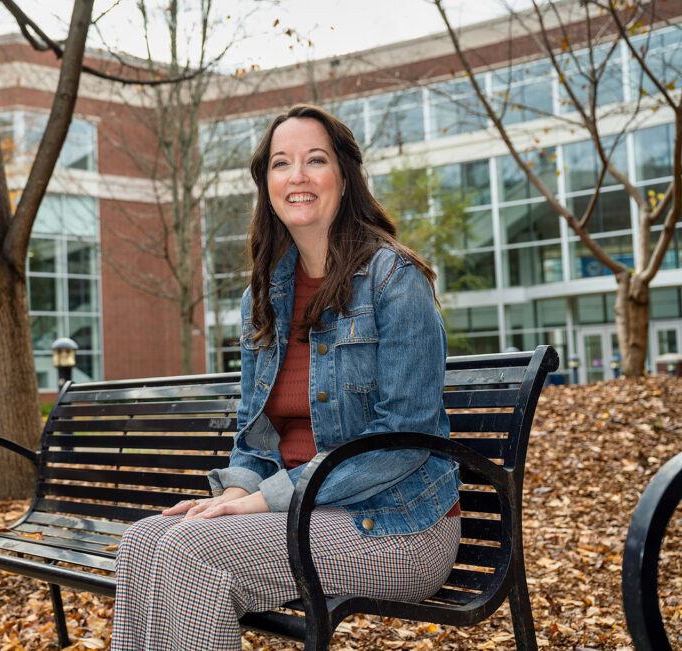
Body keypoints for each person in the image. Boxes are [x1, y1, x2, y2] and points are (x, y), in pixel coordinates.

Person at [111, 104, 461, 651]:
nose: (296, 176)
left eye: (314, 160)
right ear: (267, 185)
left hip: (395, 525)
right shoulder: (263, 297)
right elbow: (256, 439)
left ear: (344, 179)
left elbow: (403, 442)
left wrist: (263, 501)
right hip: (300, 513)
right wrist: (234, 492)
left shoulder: (395, 280)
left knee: (191, 554)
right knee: (145, 540)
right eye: (281, 163)